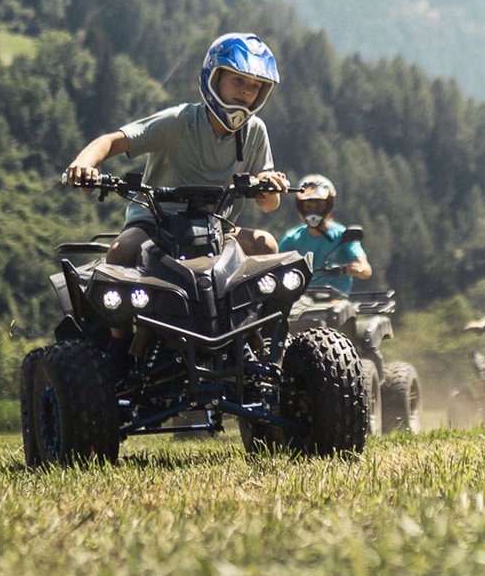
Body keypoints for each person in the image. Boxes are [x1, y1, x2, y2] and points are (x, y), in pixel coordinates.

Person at [62, 32, 292, 359]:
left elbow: (269, 206)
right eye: (238, 80)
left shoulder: (255, 131)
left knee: (267, 245)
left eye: (254, 86)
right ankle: (119, 345)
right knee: (120, 250)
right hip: (156, 223)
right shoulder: (179, 120)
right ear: (214, 77)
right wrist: (83, 163)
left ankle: (266, 344)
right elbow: (113, 141)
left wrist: (267, 184)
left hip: (218, 229)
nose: (245, 92)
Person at [277, 173, 373, 294]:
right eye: (308, 206)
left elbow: (366, 270)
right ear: (300, 207)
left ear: (328, 206)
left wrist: (356, 269)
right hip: (300, 301)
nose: (313, 211)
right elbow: (277, 270)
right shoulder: (291, 239)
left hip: (335, 301)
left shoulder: (342, 235)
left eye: (319, 206)